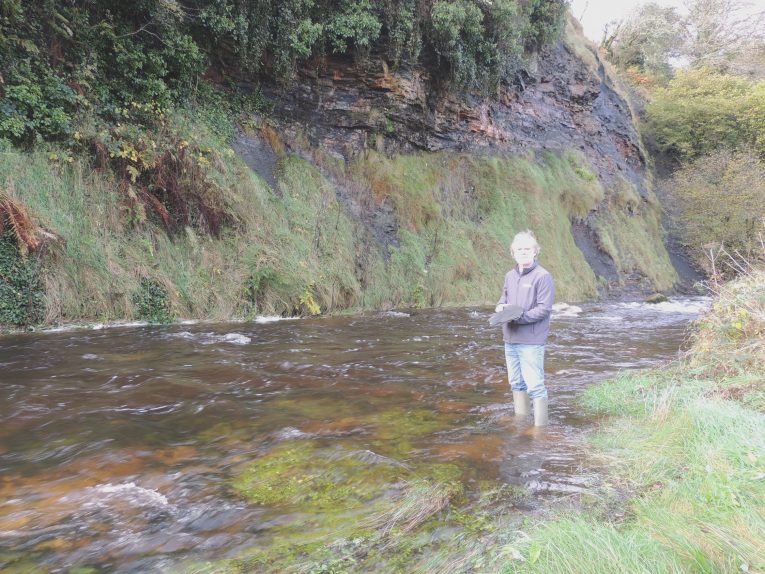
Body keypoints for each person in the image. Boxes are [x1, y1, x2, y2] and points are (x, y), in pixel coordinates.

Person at [495, 231, 555, 426]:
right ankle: (521, 424)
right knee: (516, 383)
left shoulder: (543, 276)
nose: (523, 252)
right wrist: (500, 308)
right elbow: (503, 299)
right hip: (510, 340)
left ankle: (540, 430)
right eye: (519, 249)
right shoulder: (509, 276)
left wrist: (518, 317)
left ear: (535, 251)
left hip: (531, 341)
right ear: (513, 252)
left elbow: (544, 309)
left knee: (536, 386)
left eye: (527, 249)